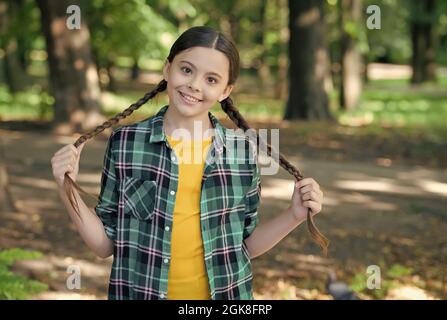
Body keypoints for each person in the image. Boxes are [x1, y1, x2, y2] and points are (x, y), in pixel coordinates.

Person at [50, 26, 326, 300]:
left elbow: (244, 245)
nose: (195, 84)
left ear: (226, 90)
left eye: (211, 79)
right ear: (167, 69)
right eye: (186, 70)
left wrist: (294, 215)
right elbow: (104, 245)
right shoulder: (126, 143)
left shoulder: (241, 152)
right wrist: (67, 187)